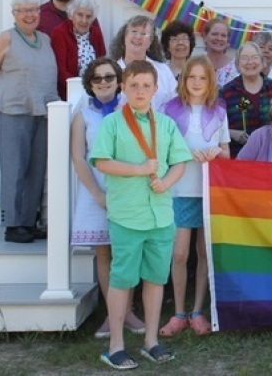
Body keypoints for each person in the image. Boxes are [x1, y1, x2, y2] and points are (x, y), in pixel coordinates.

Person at [91, 60, 191, 369]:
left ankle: (151, 341)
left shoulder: (166, 124)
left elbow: (180, 162)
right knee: (122, 280)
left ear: (155, 89)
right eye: (133, 85)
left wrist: (167, 182)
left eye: (146, 85)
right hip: (127, 215)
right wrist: (138, 170)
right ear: (123, 86)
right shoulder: (112, 124)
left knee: (155, 279)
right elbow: (101, 162)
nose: (140, 91)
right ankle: (116, 345)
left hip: (160, 215)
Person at [70, 58, 146, 339]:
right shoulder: (83, 113)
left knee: (127, 250)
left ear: (118, 81)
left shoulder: (130, 108)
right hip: (96, 188)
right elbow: (78, 156)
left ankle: (127, 312)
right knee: (104, 252)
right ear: (90, 84)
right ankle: (111, 314)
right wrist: (97, 194)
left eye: (109, 77)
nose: (104, 83)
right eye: (98, 79)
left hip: (127, 185)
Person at [160, 55, 230, 338]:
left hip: (208, 190)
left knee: (204, 253)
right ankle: (178, 312)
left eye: (203, 78)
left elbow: (226, 152)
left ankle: (198, 310)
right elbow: (162, 151)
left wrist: (215, 153)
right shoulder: (169, 109)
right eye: (192, 77)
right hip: (179, 189)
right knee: (179, 254)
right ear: (184, 80)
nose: (197, 83)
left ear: (210, 81)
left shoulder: (219, 111)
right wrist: (188, 155)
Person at [0, 0, 59, 243]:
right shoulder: (7, 38)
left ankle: (29, 221)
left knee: (36, 169)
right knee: (14, 168)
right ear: (14, 14)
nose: (30, 14)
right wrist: (5, 95)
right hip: (11, 110)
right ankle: (12, 224)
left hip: (40, 111)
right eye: (23, 10)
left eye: (34, 9)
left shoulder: (45, 39)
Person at [221, 42, 272, 158]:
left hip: (271, 157)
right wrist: (231, 133)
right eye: (244, 58)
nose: (250, 62)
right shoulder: (227, 92)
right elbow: (216, 126)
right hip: (238, 158)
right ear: (237, 64)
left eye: (254, 58)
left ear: (262, 62)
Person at [110, 15, 178, 111]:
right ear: (124, 37)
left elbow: (176, 104)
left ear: (150, 42)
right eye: (134, 31)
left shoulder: (163, 71)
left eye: (143, 34)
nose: (138, 37)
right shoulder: (110, 72)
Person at [50, 0, 107, 100]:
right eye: (80, 15)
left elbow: (103, 62)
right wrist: (82, 89)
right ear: (72, 15)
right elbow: (60, 70)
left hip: (95, 92)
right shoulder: (60, 33)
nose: (84, 20)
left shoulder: (96, 33)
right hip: (69, 93)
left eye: (88, 16)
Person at [202, 18, 238, 87]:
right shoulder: (196, 64)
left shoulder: (236, 67)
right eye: (214, 34)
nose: (219, 38)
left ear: (228, 40)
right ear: (205, 37)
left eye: (223, 35)